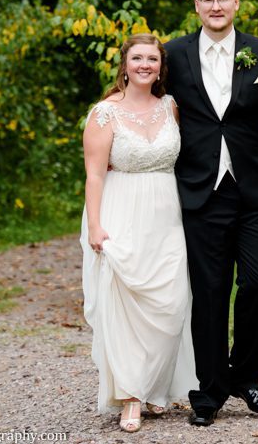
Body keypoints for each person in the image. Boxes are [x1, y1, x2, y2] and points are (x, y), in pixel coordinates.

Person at [165, 0, 258, 426]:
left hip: (257, 192)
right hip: (200, 192)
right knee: (209, 293)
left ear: (236, 3)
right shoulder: (173, 55)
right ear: (196, 6)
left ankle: (247, 378)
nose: (216, 6)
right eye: (207, 0)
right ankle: (209, 391)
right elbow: (150, 104)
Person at [80, 33, 197, 432]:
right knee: (126, 304)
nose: (145, 65)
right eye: (137, 58)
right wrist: (96, 225)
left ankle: (155, 387)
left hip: (167, 215)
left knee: (171, 303)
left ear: (161, 67)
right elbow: (95, 175)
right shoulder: (104, 114)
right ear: (125, 66)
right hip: (122, 210)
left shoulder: (171, 107)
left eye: (152, 59)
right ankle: (131, 396)